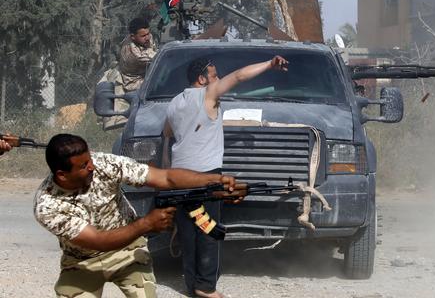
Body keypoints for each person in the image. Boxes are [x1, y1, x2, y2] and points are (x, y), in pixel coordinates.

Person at [33, 133, 240, 298]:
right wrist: (146, 224)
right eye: (84, 166)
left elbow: (165, 178)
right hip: (82, 262)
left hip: (128, 250)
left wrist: (213, 180)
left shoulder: (104, 164)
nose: (92, 167)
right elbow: (97, 241)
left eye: (90, 160)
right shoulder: (47, 205)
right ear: (62, 174)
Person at [164, 55, 288, 298]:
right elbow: (240, 76)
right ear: (202, 79)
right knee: (209, 229)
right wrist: (269, 64)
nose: (218, 80)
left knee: (189, 231)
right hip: (206, 179)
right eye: (214, 76)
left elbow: (167, 132)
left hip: (178, 178)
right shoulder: (207, 96)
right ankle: (206, 287)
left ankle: (192, 285)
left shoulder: (175, 102)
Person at [118, 17, 158, 92]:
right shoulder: (136, 55)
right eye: (143, 36)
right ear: (133, 37)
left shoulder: (143, 39)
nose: (147, 38)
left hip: (146, 71)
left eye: (148, 33)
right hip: (135, 83)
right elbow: (160, 59)